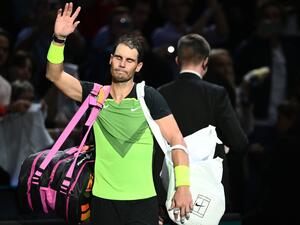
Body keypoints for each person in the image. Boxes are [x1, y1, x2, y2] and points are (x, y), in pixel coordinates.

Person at [45, 2, 193, 225]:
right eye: (119, 58)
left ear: (138, 66)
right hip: (102, 202)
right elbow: (54, 76)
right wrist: (59, 39)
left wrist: (183, 186)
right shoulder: (94, 95)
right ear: (110, 59)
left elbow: (177, 141)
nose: (123, 64)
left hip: (143, 202)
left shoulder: (148, 97)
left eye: (130, 60)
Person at [157, 34, 248, 221]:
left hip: (169, 186)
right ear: (206, 62)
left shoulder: (160, 93)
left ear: (177, 61)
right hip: (209, 191)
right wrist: (222, 145)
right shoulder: (216, 94)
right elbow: (239, 142)